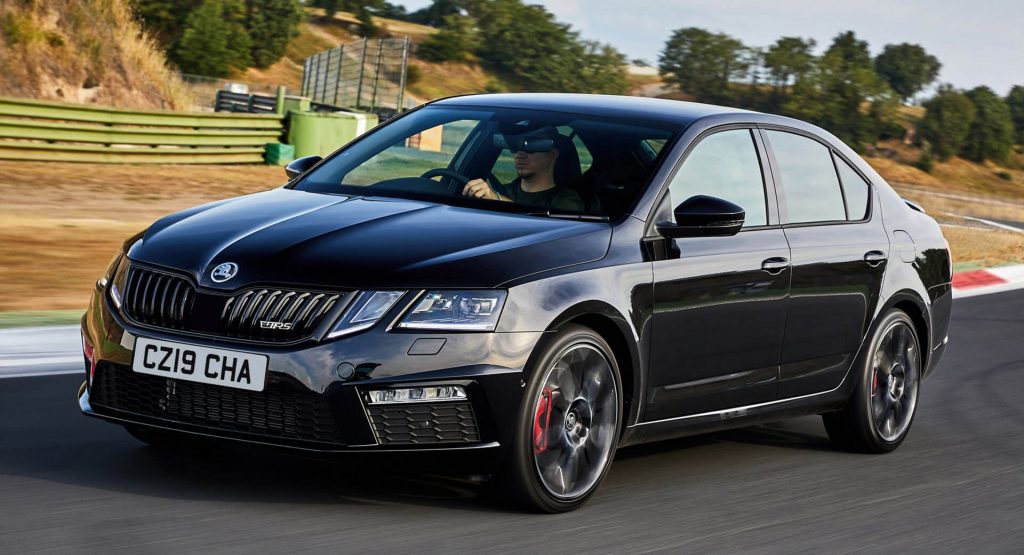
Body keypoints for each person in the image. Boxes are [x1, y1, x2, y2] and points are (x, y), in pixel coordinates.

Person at [461, 127, 584, 212]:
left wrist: (497, 200)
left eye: (530, 147)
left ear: (552, 155)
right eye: (515, 148)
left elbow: (552, 234)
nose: (520, 154)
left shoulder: (566, 201)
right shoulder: (503, 190)